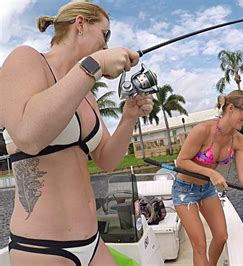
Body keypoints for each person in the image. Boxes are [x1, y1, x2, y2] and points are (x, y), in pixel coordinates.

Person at [0, 1, 153, 265]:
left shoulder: (86, 95)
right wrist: (94, 64)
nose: (106, 46)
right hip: (42, 248)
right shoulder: (25, 59)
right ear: (80, 24)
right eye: (105, 35)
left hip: (92, 242)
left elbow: (107, 160)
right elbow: (28, 135)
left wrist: (129, 116)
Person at [173, 90, 243, 266]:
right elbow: (181, 162)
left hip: (206, 190)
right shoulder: (202, 130)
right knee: (200, 245)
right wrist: (211, 173)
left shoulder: (239, 141)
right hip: (184, 191)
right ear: (231, 108)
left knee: (221, 236)